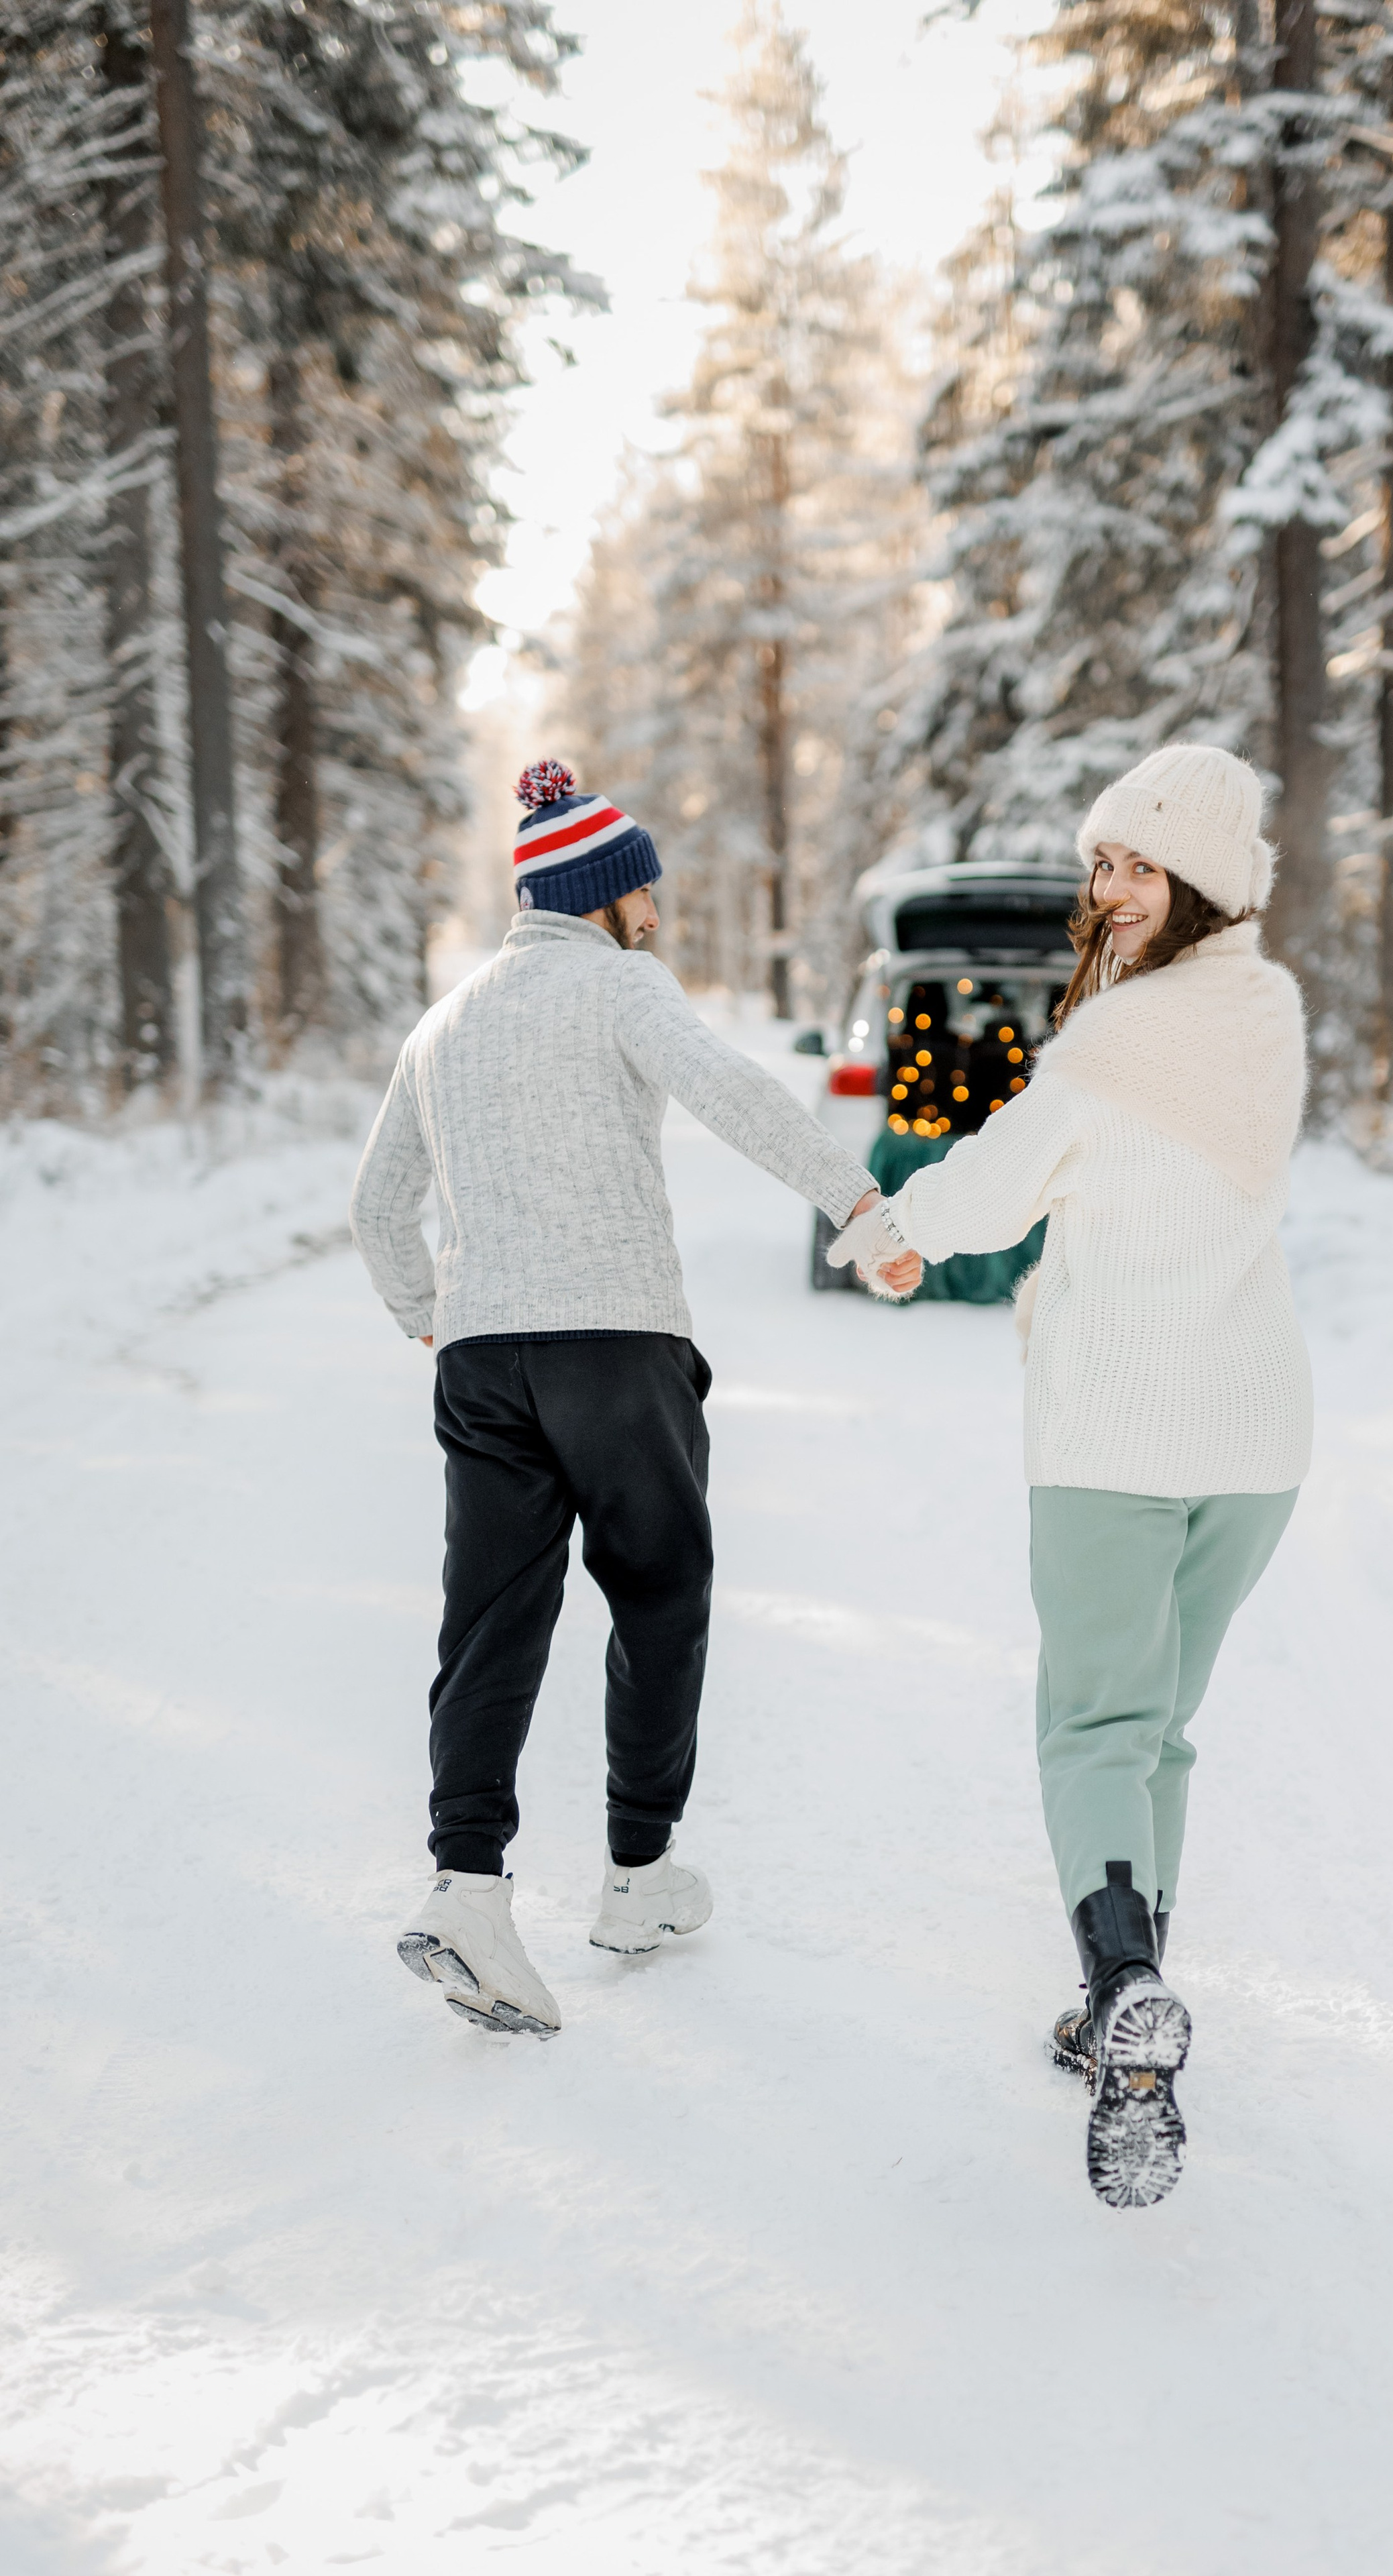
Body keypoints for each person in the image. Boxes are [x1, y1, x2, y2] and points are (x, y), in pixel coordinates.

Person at [351, 758, 917, 2040]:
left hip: (483, 1357)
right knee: (660, 1593)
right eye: (645, 883)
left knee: (488, 1624)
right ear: (610, 893)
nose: (658, 902)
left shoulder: (443, 1024)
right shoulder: (618, 983)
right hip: (617, 1346)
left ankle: (468, 1892)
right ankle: (639, 1874)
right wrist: (859, 1205)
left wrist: (423, 1312)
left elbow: (379, 1205)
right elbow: (730, 1093)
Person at [830, 743, 1310, 2206]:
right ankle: (1129, 2001)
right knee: (1157, 1731)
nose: (1104, 890)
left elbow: (990, 1184)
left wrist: (883, 1234)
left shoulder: (1110, 1045)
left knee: (1094, 1726)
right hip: (1254, 1438)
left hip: (1116, 1431)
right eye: (1099, 861)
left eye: (1137, 865)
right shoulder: (1271, 1012)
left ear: (1201, 884)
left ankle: (1122, 2003)